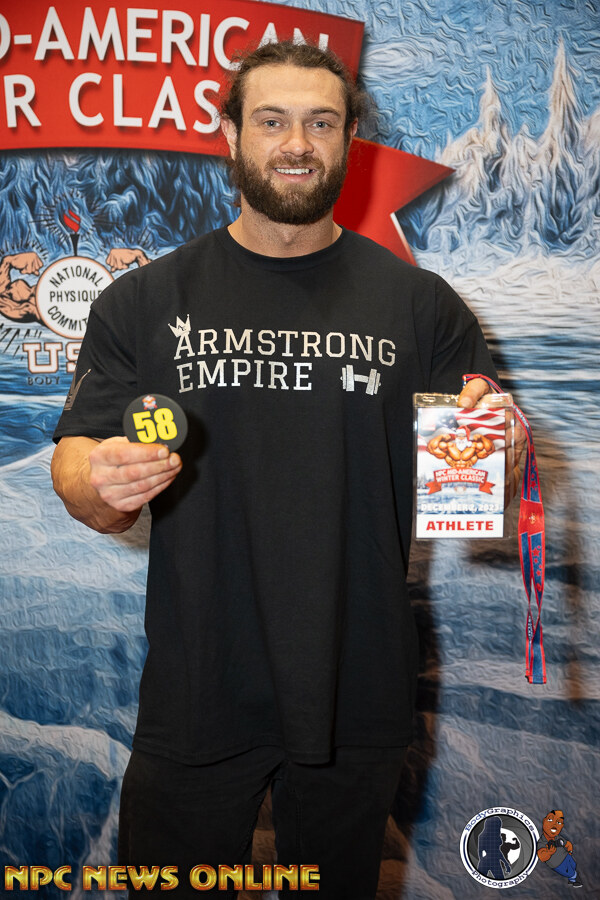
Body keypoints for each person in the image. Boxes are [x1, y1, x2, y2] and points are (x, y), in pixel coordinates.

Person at [51, 41, 506, 899]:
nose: (297, 143)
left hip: (357, 690)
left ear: (349, 139)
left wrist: (495, 448)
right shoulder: (143, 301)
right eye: (271, 120)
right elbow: (80, 469)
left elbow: (471, 490)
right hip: (197, 690)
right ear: (229, 135)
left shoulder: (422, 307)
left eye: (320, 123)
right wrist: (97, 480)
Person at [537, 810, 583, 888]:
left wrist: (569, 851)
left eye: (558, 822)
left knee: (573, 865)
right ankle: (575, 878)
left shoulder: (558, 838)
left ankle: (572, 880)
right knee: (569, 873)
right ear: (544, 821)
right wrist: (549, 852)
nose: (554, 824)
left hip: (566, 856)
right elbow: (541, 856)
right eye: (550, 819)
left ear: (562, 826)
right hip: (557, 864)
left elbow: (567, 844)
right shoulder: (542, 842)